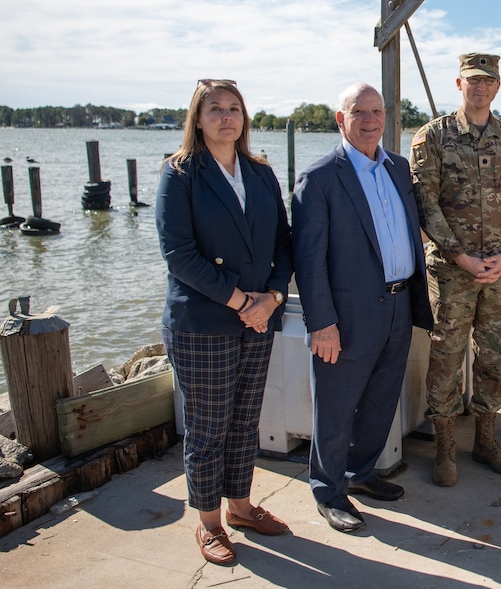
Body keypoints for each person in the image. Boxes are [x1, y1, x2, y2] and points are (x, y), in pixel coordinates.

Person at [156, 78, 293, 565]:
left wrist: (273, 297)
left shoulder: (259, 172)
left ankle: (240, 506)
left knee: (243, 421)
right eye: (215, 108)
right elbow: (179, 255)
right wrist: (243, 301)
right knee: (208, 426)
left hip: (257, 318)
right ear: (197, 118)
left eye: (234, 108)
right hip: (204, 323)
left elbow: (283, 242)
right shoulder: (181, 173)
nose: (226, 116)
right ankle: (209, 523)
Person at [292, 83, 433, 533]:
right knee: (335, 407)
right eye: (360, 112)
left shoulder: (397, 167)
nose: (370, 120)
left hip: (398, 304)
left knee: (380, 401)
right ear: (341, 119)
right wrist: (322, 324)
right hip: (347, 316)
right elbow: (308, 261)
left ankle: (359, 474)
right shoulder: (318, 179)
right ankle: (328, 491)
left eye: (377, 111)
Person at [409, 52, 501, 487]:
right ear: (458, 84)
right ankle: (444, 448)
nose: (480, 87)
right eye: (472, 81)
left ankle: (486, 439)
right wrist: (460, 255)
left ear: (498, 86)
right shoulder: (433, 137)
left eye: (489, 81)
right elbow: (425, 203)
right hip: (451, 272)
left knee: (496, 357)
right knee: (446, 357)